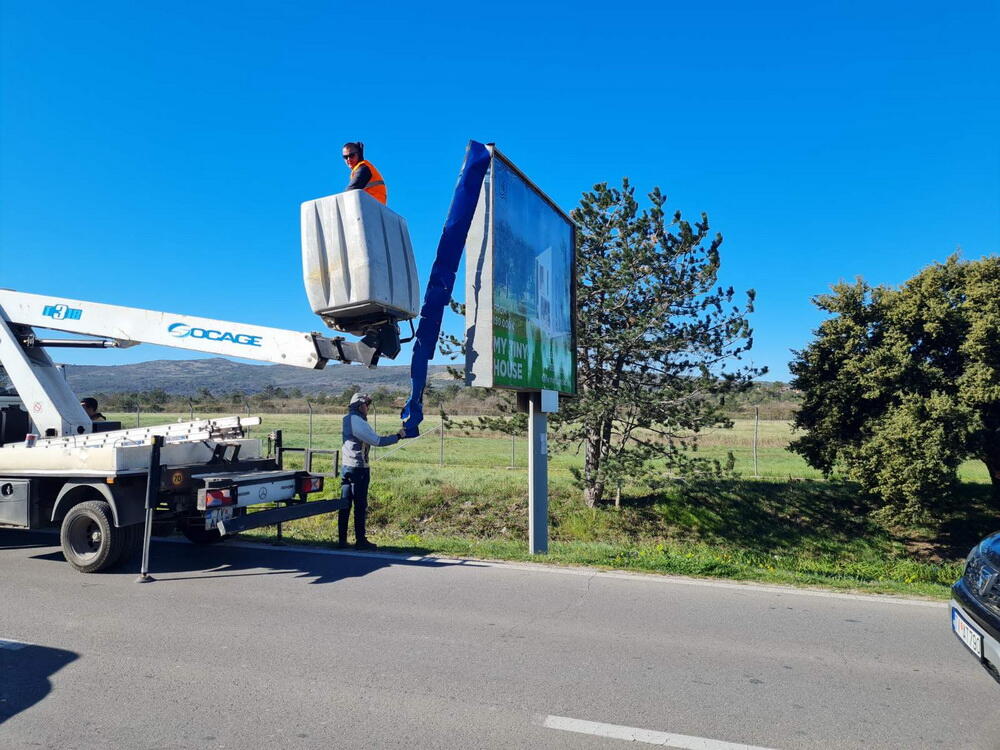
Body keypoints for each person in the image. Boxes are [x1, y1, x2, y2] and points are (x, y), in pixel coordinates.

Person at [340, 392, 407, 550]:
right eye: (366, 405)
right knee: (360, 505)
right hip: (359, 468)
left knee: (344, 505)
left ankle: (342, 540)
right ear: (360, 406)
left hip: (346, 467)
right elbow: (376, 441)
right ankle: (360, 541)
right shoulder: (357, 421)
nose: (368, 408)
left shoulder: (348, 419)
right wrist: (398, 436)